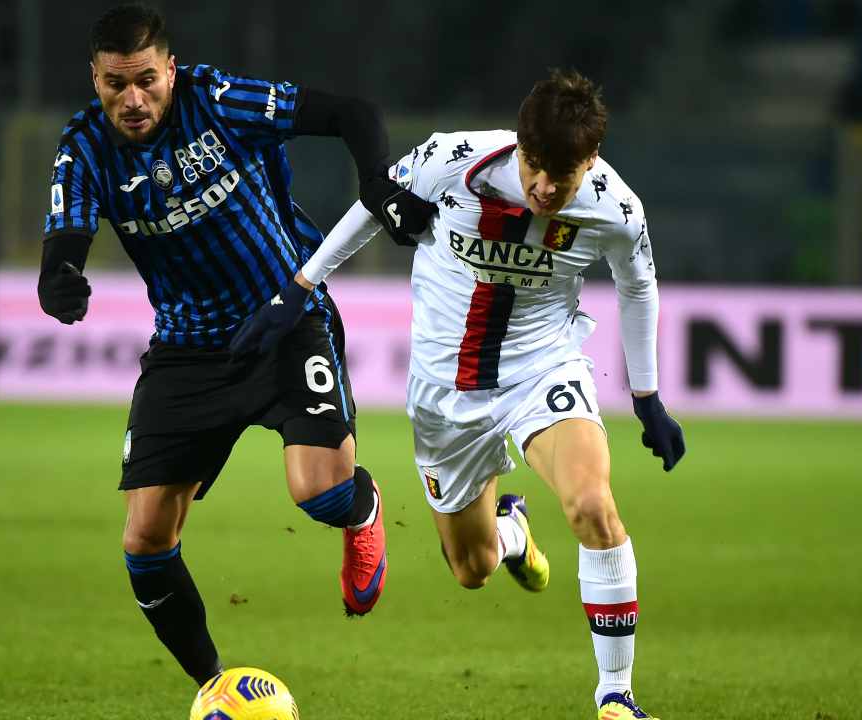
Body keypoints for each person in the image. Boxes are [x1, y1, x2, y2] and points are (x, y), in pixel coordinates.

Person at [231, 69, 686, 719]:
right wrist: (300, 287)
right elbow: (372, 205)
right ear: (520, 144)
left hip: (542, 371)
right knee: (471, 568)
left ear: (591, 160)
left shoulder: (616, 208)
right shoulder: (456, 160)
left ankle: (615, 696)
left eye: (565, 173)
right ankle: (511, 532)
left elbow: (639, 286)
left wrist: (646, 396)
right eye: (536, 167)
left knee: (591, 504)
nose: (546, 187)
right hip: (446, 396)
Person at [35, 4, 435, 687]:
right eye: (114, 85)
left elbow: (353, 113)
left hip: (283, 318)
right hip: (187, 350)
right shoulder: (83, 147)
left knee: (320, 494)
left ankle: (363, 510)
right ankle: (218, 687)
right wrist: (60, 281)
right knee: (145, 540)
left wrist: (376, 184)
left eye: (146, 81)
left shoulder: (217, 99)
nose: (132, 100)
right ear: (94, 79)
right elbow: (62, 248)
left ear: (170, 68)